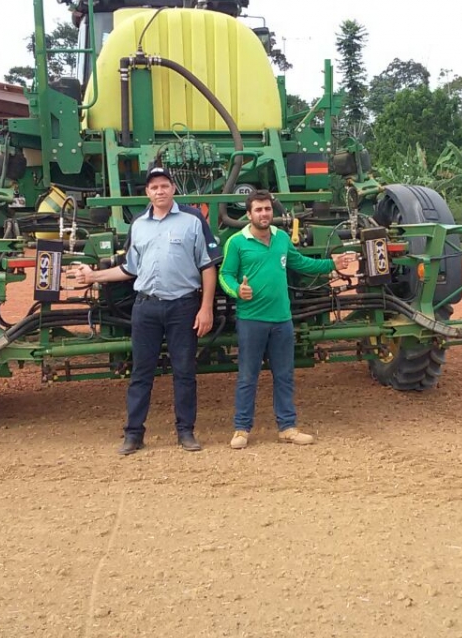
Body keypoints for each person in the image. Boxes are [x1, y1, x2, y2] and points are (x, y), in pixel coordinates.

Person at [75, 166, 217, 454]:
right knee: (141, 372)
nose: (160, 191)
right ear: (147, 193)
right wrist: (93, 277)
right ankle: (134, 434)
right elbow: (129, 268)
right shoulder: (139, 224)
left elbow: (208, 266)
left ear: (173, 189)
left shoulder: (193, 220)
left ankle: (186, 432)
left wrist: (206, 309)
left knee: (184, 372)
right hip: (146, 308)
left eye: (164, 185)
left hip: (183, 307)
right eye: (154, 187)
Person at [219, 190, 355, 449]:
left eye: (267, 209)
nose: (264, 214)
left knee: (284, 375)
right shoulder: (237, 242)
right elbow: (225, 275)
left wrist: (331, 264)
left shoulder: (281, 238)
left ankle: (287, 427)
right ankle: (241, 429)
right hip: (251, 319)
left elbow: (300, 263)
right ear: (248, 214)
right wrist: (237, 290)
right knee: (248, 376)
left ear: (273, 212)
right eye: (258, 210)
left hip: (282, 319)